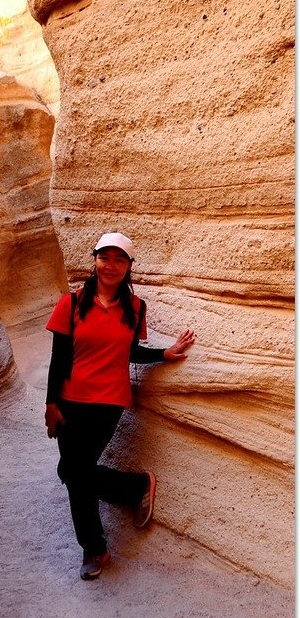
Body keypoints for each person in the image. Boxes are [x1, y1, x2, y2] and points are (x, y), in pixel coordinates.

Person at [45, 232, 195, 580]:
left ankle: (94, 549)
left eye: (119, 259)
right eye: (105, 257)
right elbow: (58, 359)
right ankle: (133, 488)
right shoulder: (71, 303)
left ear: (128, 267)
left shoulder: (135, 307)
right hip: (69, 400)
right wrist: (51, 403)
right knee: (73, 472)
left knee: (74, 471)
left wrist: (162, 353)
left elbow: (126, 351)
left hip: (108, 402)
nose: (110, 265)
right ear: (94, 260)